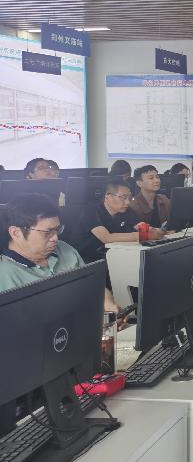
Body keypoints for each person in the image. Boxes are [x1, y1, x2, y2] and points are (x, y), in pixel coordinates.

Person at [0, 194, 121, 436]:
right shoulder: (5, 275)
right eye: (47, 232)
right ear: (16, 232)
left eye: (58, 229)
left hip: (78, 358)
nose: (56, 238)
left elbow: (93, 284)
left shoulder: (65, 250)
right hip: (35, 381)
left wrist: (107, 302)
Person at [74, 178, 163, 263]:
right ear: (108, 196)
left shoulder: (126, 211)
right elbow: (107, 238)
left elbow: (140, 225)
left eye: (130, 198)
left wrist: (154, 230)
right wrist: (144, 235)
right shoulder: (91, 211)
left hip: (113, 256)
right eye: (123, 197)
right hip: (86, 260)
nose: (128, 202)